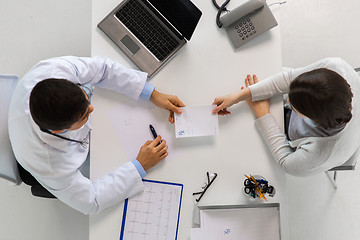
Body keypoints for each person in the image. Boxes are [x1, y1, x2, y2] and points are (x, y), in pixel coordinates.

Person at [8, 56, 185, 215]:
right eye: (84, 116)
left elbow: (102, 69)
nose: (92, 108)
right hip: (39, 155)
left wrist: (152, 94)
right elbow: (91, 201)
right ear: (60, 131)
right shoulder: (50, 164)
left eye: (85, 99)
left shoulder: (52, 71)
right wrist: (140, 166)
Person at [212, 58, 360, 176]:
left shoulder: (320, 153)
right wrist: (240, 95)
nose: (288, 100)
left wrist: (263, 113)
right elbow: (289, 78)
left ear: (312, 119)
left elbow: (286, 162)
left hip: (296, 135)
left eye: (295, 105)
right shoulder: (336, 67)